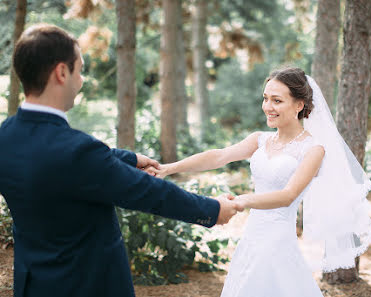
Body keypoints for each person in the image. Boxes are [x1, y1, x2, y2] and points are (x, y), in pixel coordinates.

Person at [0, 24, 241, 297]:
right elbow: (150, 193)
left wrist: (129, 158)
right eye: (80, 70)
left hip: (33, 286)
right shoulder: (77, 152)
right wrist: (212, 209)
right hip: (87, 286)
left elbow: (52, 162)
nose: (81, 80)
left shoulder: (6, 137)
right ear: (62, 72)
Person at [149, 67, 371, 296]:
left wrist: (241, 201)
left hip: (277, 239)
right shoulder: (260, 140)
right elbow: (219, 156)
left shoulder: (313, 149)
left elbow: (288, 195)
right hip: (251, 237)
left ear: (299, 105)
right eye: (266, 98)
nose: (268, 107)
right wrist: (168, 168)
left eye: (277, 100)